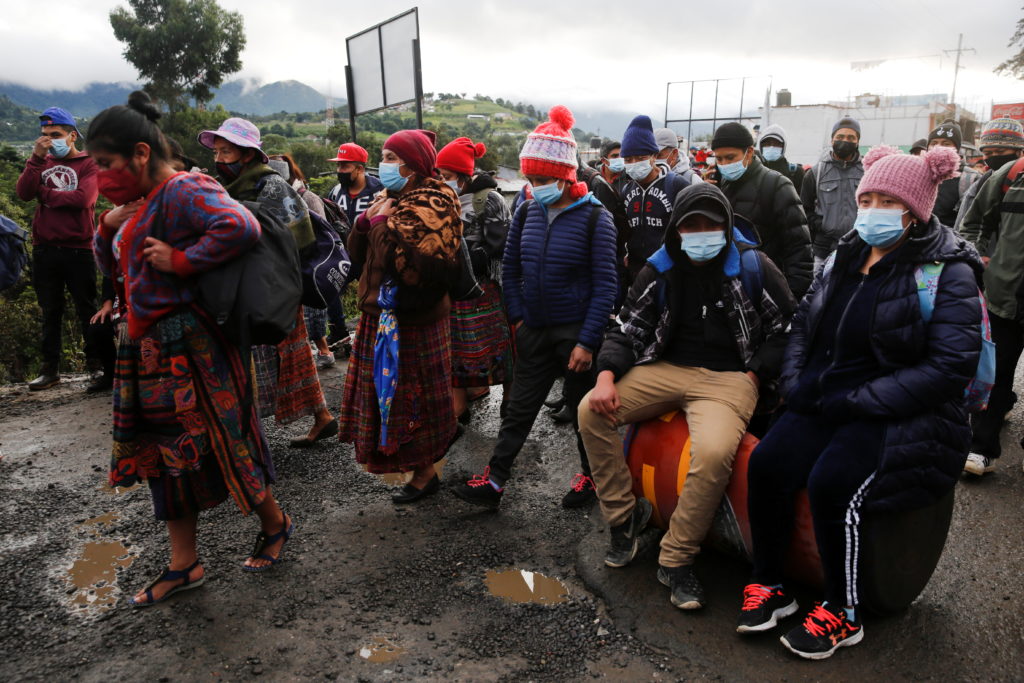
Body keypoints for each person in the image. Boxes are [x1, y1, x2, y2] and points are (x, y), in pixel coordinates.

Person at [738, 145, 979, 660]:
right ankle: (769, 583)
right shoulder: (843, 258)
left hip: (898, 410)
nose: (870, 210)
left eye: (885, 201)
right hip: (826, 395)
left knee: (834, 483)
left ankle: (843, 611)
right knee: (768, 463)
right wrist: (797, 379)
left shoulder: (946, 272)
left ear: (914, 211)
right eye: (866, 197)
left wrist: (861, 400)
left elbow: (948, 368)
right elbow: (804, 322)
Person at [90, 92, 294, 606]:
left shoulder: (184, 190)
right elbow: (114, 267)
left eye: (105, 164)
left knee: (228, 436)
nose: (101, 176)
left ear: (140, 153)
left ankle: (275, 524)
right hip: (144, 348)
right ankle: (185, 563)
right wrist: (107, 228)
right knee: (163, 453)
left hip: (193, 345)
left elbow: (240, 226)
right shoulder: (128, 205)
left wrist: (183, 261)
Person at [580, 182, 795, 610]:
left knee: (714, 453)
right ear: (676, 228)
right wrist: (605, 375)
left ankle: (676, 558)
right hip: (666, 368)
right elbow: (627, 328)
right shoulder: (660, 267)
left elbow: (788, 330)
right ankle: (624, 517)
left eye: (710, 225)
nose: (700, 233)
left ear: (726, 225)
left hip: (729, 377)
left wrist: (755, 374)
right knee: (591, 411)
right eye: (690, 225)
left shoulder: (754, 265)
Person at [453, 106, 618, 510]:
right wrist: (520, 316)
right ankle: (494, 482)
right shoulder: (527, 209)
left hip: (576, 334)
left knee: (584, 417)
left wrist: (587, 340)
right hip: (534, 328)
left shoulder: (597, 219)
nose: (534, 185)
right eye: (530, 177)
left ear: (565, 174)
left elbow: (606, 286)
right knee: (519, 410)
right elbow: (511, 267)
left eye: (543, 179)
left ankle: (591, 479)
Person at [198, 118, 337, 449]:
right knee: (285, 354)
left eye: (226, 151)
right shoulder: (226, 186)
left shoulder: (272, 186)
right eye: (217, 151)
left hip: (275, 289)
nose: (219, 159)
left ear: (247, 154)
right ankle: (319, 417)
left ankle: (248, 434)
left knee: (285, 354)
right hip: (246, 287)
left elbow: (296, 236)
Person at [339, 128, 462, 503]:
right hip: (382, 316)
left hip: (414, 318)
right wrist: (364, 224)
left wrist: (379, 225)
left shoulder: (435, 201)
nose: (384, 165)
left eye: (391, 158)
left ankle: (425, 473)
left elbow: (409, 267)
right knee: (389, 396)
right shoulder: (391, 197)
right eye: (384, 156)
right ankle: (418, 468)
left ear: (413, 164)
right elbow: (358, 256)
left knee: (415, 398)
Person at [15, 106, 104, 391]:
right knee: (49, 310)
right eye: (44, 135)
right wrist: (36, 159)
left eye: (55, 134)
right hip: (45, 248)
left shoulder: (89, 164)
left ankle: (97, 365)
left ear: (72, 136)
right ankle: (49, 370)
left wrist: (46, 194)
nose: (49, 140)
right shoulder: (40, 162)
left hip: (79, 248)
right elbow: (24, 193)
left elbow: (83, 199)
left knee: (87, 308)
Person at [960, 118, 1024, 475]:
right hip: (1005, 298)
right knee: (997, 376)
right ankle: (981, 448)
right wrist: (982, 260)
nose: (992, 159)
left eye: (1000, 152)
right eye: (988, 153)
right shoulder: (1008, 178)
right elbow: (970, 225)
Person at [435, 137, 514, 422]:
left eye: (448, 177)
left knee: (497, 345)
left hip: (484, 288)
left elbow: (498, 245)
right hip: (456, 287)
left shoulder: (489, 200)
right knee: (456, 347)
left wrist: (463, 259)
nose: (443, 182)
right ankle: (460, 404)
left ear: (464, 175)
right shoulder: (444, 199)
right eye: (440, 176)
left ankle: (510, 397)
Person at [712, 122, 813, 299]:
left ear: (749, 152)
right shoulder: (724, 186)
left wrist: (792, 297)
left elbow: (798, 248)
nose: (724, 164)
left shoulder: (776, 185)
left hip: (767, 289)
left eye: (730, 157)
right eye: (719, 159)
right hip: (732, 289)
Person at [268, 154, 335, 370]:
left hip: (306, 267)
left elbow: (321, 234)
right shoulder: (269, 199)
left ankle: (324, 350)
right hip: (285, 271)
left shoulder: (307, 198)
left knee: (314, 314)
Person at [620, 115, 695, 283]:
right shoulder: (626, 190)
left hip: (669, 271)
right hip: (636, 271)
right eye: (628, 159)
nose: (634, 163)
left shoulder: (676, 185)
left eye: (640, 158)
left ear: (654, 156)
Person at [326, 142, 382, 349]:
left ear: (359, 168)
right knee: (329, 288)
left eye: (344, 166)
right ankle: (338, 331)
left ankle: (377, 334)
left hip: (371, 255)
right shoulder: (335, 192)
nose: (339, 171)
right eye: (338, 166)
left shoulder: (379, 190)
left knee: (375, 296)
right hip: (344, 255)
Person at [801, 117, 864, 269]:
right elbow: (804, 209)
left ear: (857, 142)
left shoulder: (867, 170)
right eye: (840, 137)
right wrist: (822, 225)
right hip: (824, 250)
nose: (845, 141)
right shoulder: (816, 173)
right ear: (832, 140)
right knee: (819, 291)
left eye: (851, 137)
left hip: (860, 248)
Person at [954, 117, 1024, 231]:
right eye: (988, 153)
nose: (994, 156)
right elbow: (963, 228)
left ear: (1019, 151)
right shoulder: (980, 185)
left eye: (1000, 152)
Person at [926, 120, 979, 228]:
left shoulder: (971, 178)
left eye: (946, 144)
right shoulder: (918, 173)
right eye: (934, 143)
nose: (938, 147)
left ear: (957, 149)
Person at [758, 124, 805, 190]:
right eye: (767, 144)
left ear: (783, 147)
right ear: (761, 147)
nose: (772, 147)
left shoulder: (796, 172)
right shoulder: (754, 171)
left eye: (777, 144)